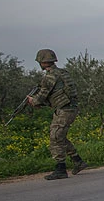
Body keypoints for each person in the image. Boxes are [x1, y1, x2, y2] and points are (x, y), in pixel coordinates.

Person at [26, 48, 88, 180]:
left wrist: (33, 101)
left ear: (42, 62)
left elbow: (42, 96)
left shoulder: (50, 77)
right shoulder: (63, 73)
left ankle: (60, 168)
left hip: (64, 110)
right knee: (60, 136)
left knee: (55, 137)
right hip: (68, 108)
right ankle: (77, 161)